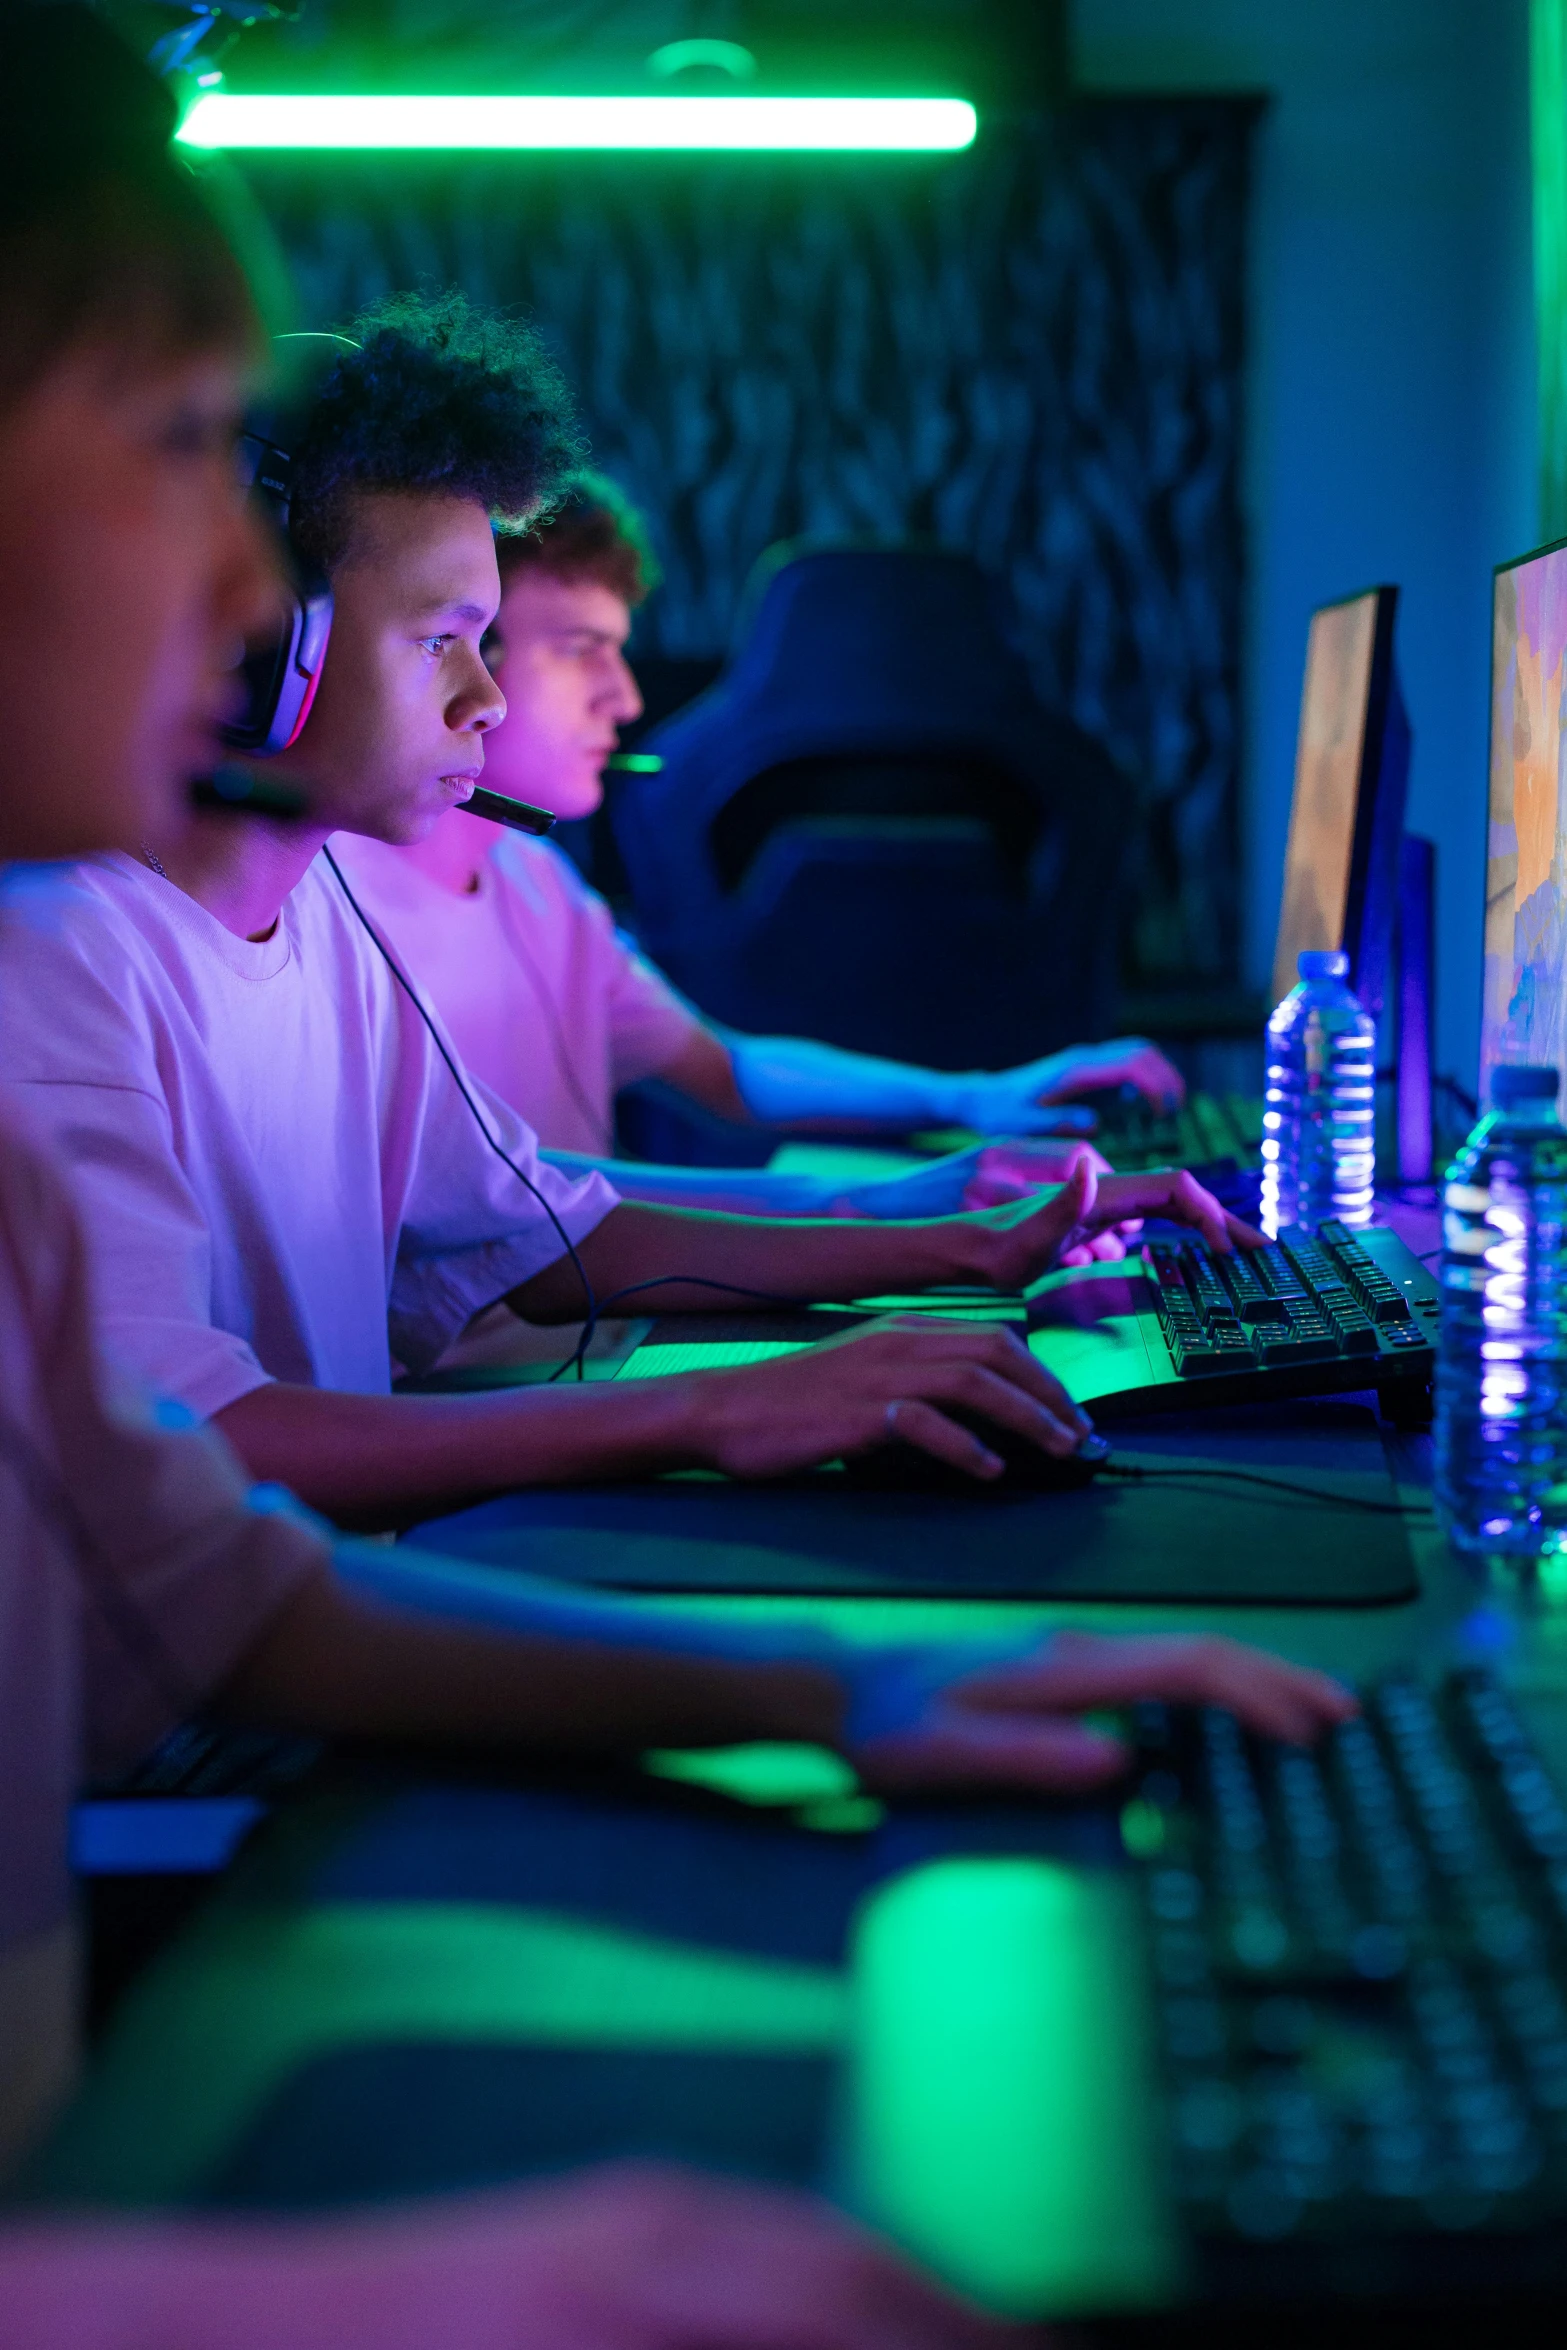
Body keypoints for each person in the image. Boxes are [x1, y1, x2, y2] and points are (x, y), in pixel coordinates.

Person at [0, 12, 1356, 2341]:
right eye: (176, 452)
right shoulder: (51, 976)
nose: (233, 594)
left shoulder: (285, 936)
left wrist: (849, 1681)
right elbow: (243, 1495)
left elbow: (251, 1538)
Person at [0, 295, 1261, 1524]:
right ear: (269, 648)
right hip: (212, 1721)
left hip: (338, 1613)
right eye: (442, 637)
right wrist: (720, 1405)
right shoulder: (68, 954)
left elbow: (547, 1234)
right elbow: (192, 1443)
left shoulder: (321, 912)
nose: (484, 700)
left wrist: (959, 1235)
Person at [334, 473, 1185, 1219]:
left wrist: (978, 1096)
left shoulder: (536, 883)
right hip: (489, 1395)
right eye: (578, 651)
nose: (623, 699)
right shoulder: (342, 917)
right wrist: (891, 1206)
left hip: (596, 1353)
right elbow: (500, 1199)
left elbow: (726, 1070)